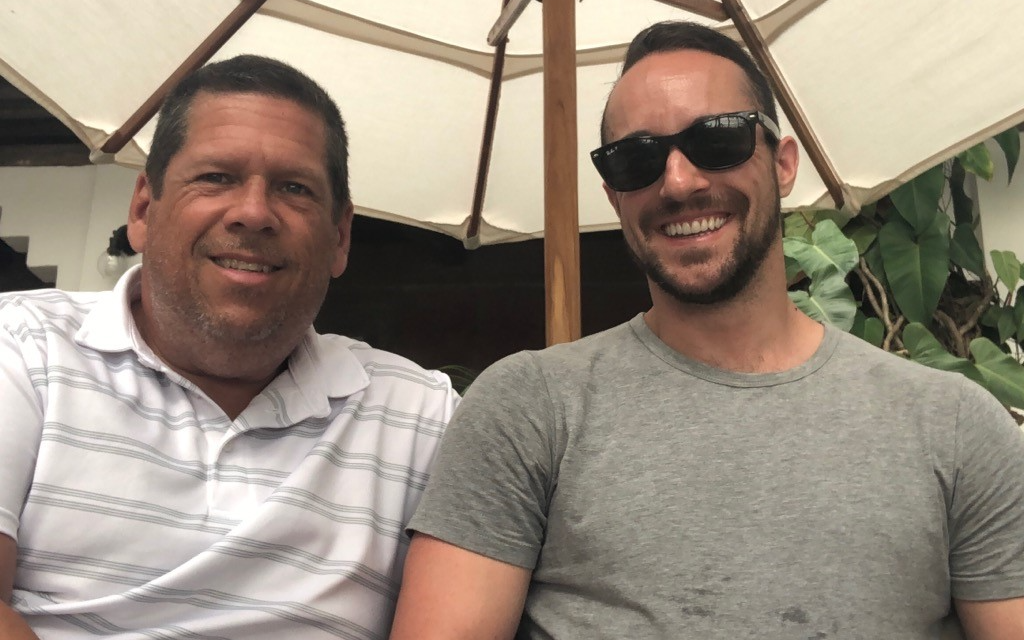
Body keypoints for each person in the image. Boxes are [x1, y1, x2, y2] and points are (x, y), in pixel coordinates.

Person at [389, 21, 1024, 640]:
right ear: (613, 195)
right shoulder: (527, 408)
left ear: (782, 165)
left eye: (717, 140)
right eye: (637, 158)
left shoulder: (954, 424)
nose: (680, 181)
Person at [0, 55, 458, 639]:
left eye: (295, 188)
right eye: (217, 177)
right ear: (144, 209)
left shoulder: (421, 415)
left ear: (340, 237)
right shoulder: (21, 349)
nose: (253, 213)